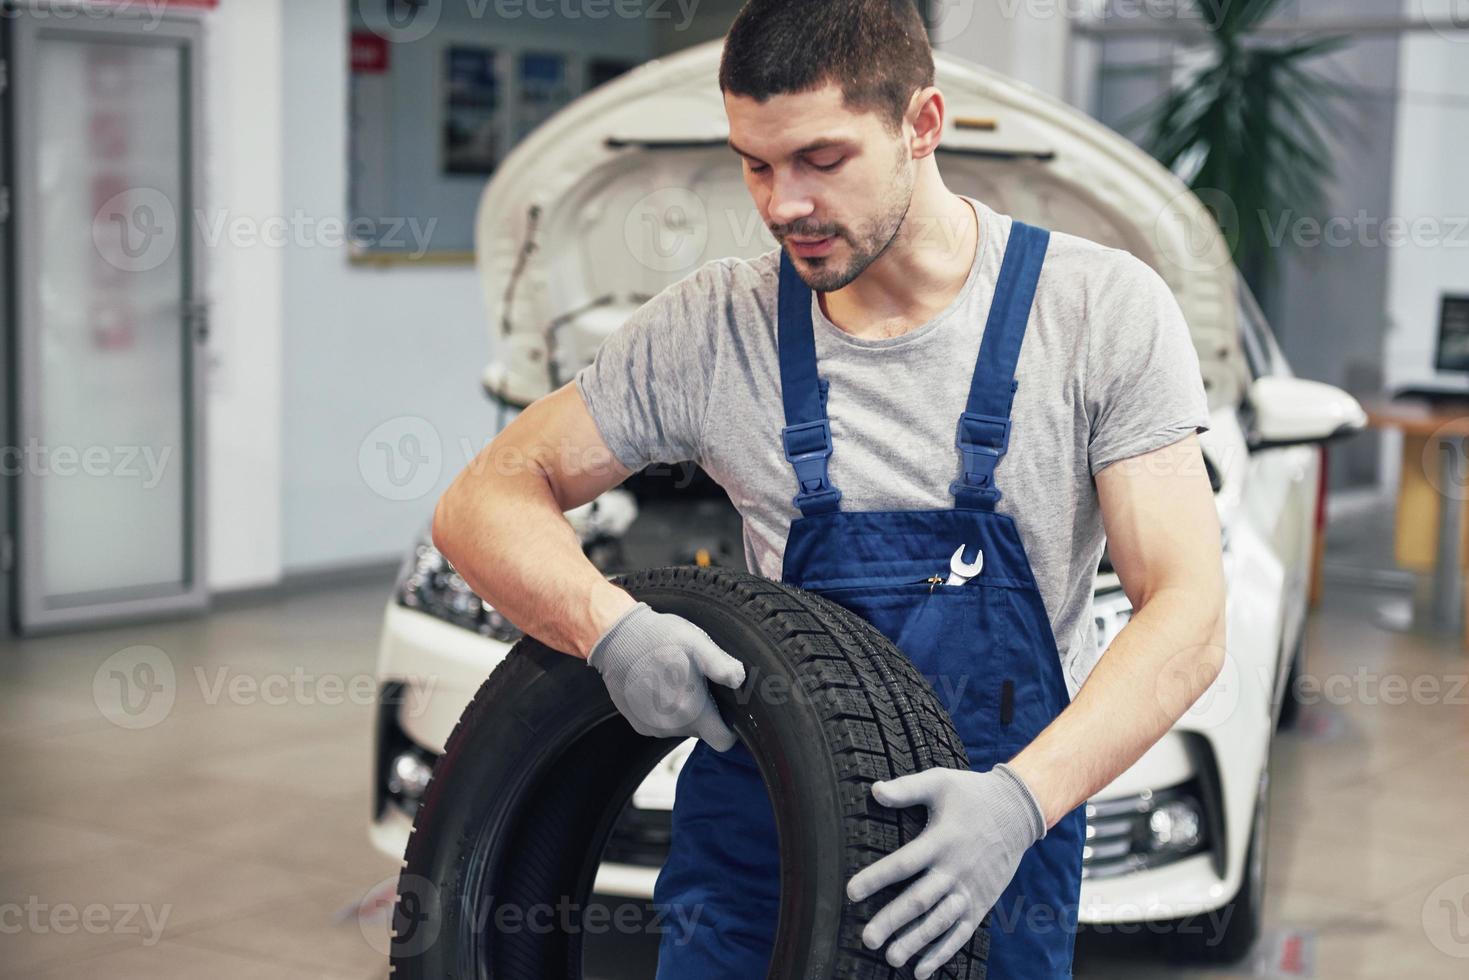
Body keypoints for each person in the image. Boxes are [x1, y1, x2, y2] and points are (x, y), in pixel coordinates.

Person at [431, 1, 1226, 976]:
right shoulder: (714, 328)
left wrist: (1020, 800)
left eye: (821, 159)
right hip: (761, 861)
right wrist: (606, 624)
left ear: (920, 125)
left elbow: (1186, 608)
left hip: (986, 859)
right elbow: (484, 496)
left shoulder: (1098, 311)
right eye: (755, 163)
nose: (780, 204)